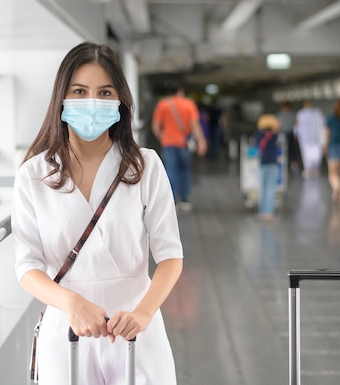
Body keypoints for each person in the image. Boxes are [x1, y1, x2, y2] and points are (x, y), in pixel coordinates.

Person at [11, 42, 183, 384]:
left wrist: (144, 313)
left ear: (120, 102)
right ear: (61, 98)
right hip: (66, 327)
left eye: (105, 92)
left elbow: (170, 256)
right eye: (80, 91)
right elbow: (27, 267)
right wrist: (72, 303)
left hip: (134, 324)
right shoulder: (33, 175)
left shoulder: (145, 166)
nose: (93, 102)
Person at [151, 80, 207, 212]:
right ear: (180, 90)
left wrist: (162, 137)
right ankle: (185, 200)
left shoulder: (163, 105)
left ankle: (173, 200)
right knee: (185, 171)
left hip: (168, 143)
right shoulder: (188, 104)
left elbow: (155, 126)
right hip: (184, 144)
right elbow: (194, 125)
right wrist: (201, 141)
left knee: (171, 171)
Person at [252, 114, 281, 222]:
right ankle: (269, 212)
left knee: (263, 188)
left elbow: (255, 144)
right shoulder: (275, 135)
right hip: (273, 163)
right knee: (270, 189)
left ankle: (262, 211)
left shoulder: (258, 135)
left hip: (262, 163)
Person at [294, 100, 325, 178]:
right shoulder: (316, 113)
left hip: (308, 138)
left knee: (308, 153)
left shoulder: (301, 113)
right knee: (314, 153)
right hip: (313, 137)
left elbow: (296, 125)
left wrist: (296, 134)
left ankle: (309, 169)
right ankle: (314, 169)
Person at [276, 100, 299, 171]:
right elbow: (278, 124)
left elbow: (296, 124)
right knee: (282, 148)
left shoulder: (293, 114)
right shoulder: (280, 114)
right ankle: (283, 162)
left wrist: (296, 133)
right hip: (283, 133)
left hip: (290, 132)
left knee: (292, 149)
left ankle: (293, 163)